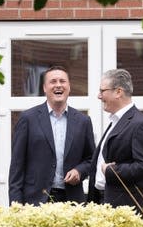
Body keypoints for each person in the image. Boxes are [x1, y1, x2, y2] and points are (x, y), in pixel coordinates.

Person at [8, 65, 96, 205]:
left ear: (69, 86)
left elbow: (91, 159)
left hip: (72, 201)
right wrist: (16, 205)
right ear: (44, 88)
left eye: (62, 81)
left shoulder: (83, 121)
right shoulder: (28, 119)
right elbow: (17, 166)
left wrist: (79, 171)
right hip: (35, 201)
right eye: (53, 81)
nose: (58, 85)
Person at [87, 69, 143, 213]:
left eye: (102, 91)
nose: (99, 96)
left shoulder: (140, 124)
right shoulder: (116, 121)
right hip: (104, 202)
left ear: (118, 92)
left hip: (124, 209)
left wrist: (111, 170)